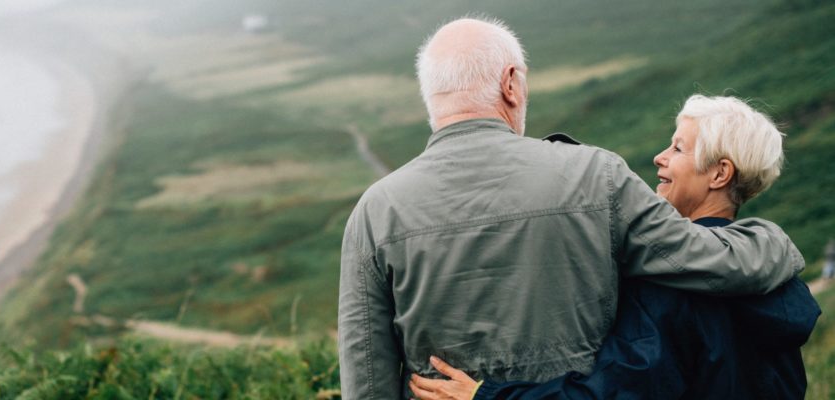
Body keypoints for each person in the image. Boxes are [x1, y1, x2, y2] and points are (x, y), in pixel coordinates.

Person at [338, 17, 804, 398]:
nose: (662, 158)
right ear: (511, 84)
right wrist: (774, 241)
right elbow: (708, 259)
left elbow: (368, 377)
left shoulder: (374, 211)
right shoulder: (596, 176)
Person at [408, 95, 821, 399]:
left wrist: (485, 396)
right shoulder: (780, 282)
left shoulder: (670, 283)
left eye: (678, 148)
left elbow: (614, 394)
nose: (660, 158)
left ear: (719, 174)